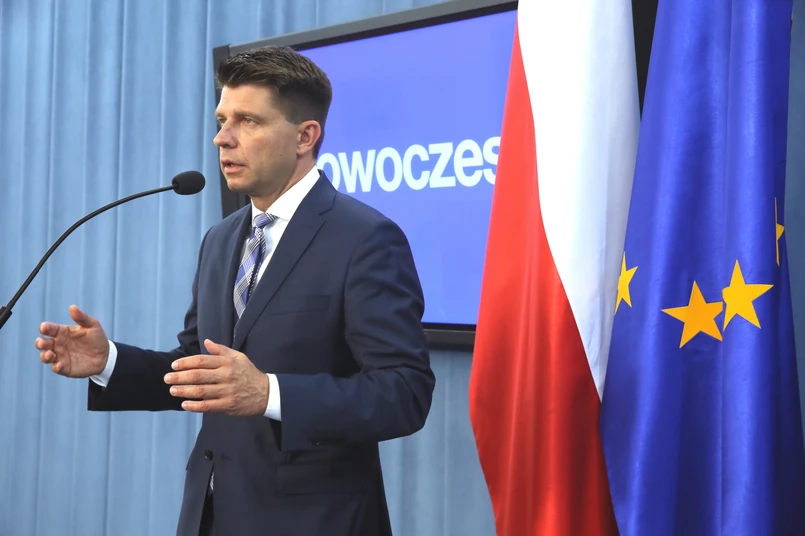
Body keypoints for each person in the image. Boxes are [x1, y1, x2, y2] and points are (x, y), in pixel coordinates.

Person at [34, 45, 435, 536]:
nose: (222, 138)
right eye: (222, 120)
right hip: (211, 514)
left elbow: (404, 393)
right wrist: (109, 362)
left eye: (248, 121)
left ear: (305, 136)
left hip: (314, 521)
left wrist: (269, 393)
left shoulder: (365, 239)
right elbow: (198, 368)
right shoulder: (221, 238)